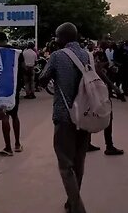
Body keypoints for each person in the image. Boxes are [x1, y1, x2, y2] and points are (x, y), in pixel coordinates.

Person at [40, 22, 90, 213]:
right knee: (79, 161)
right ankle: (72, 201)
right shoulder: (88, 55)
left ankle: (78, 208)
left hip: (65, 116)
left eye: (56, 36)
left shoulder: (57, 56)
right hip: (85, 115)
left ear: (61, 37)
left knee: (65, 165)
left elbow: (43, 79)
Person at [87, 50, 126, 155]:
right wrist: (116, 90)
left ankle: (87, 143)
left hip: (92, 97)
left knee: (91, 118)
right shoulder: (95, 66)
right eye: (104, 61)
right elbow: (108, 81)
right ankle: (109, 146)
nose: (105, 63)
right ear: (98, 59)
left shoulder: (91, 66)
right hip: (100, 97)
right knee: (108, 118)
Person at [0, 32, 24, 156]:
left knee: (4, 116)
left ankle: (8, 147)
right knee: (15, 115)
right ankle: (17, 144)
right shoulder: (16, 52)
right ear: (6, 40)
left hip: (1, 87)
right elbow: (22, 68)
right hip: (14, 86)